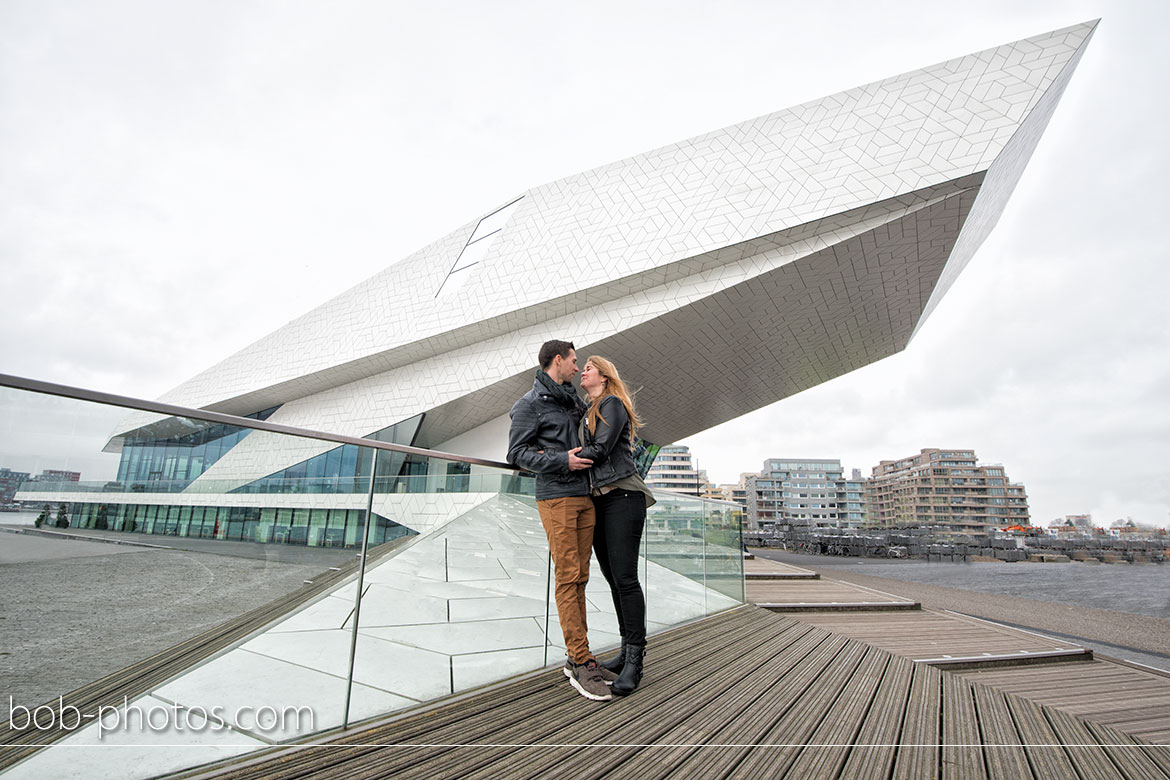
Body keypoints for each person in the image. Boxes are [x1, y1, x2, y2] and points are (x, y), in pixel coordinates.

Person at [507, 340, 616, 702]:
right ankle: (579, 660)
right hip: (557, 497)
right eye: (573, 361)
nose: (576, 367)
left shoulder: (573, 401)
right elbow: (517, 454)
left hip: (584, 496)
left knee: (581, 577)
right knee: (569, 576)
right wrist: (561, 461)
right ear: (558, 360)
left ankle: (581, 656)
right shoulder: (528, 405)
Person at [576, 355, 655, 696]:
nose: (583, 371)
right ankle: (626, 651)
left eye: (589, 368)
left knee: (625, 578)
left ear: (604, 377)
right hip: (601, 501)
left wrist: (563, 459)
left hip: (624, 498)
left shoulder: (612, 404)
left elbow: (601, 449)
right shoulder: (588, 411)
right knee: (613, 579)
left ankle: (636, 660)